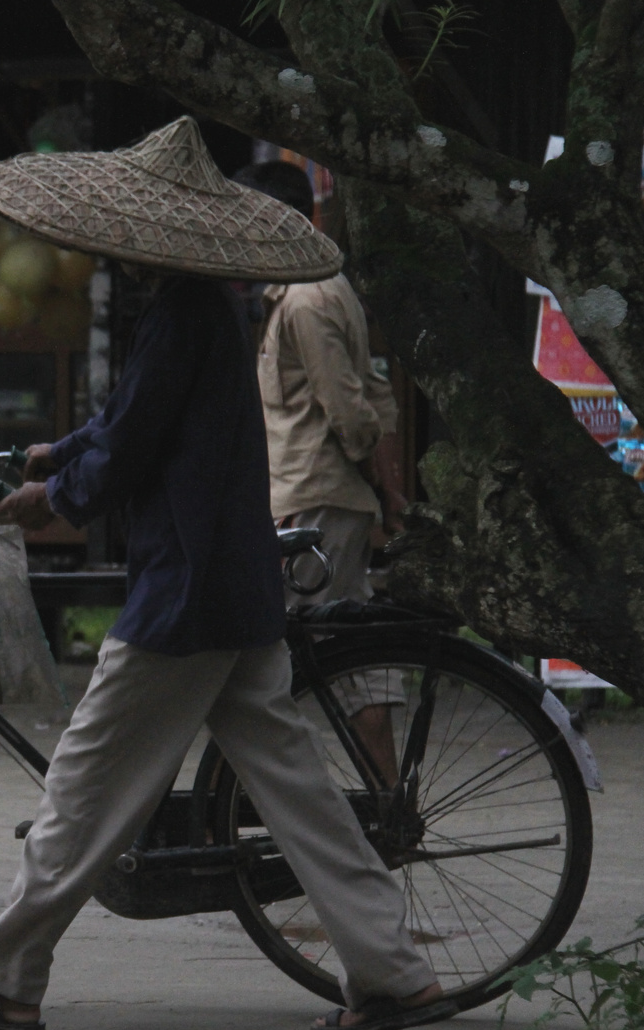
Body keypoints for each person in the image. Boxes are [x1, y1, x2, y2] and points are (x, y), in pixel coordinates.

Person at [0, 117, 454, 1030]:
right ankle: (391, 972)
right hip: (232, 587)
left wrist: (55, 491)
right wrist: (54, 454)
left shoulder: (182, 315)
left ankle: (3, 979)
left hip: (188, 594)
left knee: (85, 784)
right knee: (298, 793)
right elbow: (126, 424)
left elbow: (129, 443)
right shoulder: (205, 310)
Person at [236, 161, 408, 787]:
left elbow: (352, 414)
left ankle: (340, 805)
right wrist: (388, 495)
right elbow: (375, 399)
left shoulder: (306, 300)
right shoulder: (320, 289)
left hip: (314, 506)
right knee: (349, 657)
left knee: (262, 667)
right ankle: (385, 798)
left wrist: (383, 490)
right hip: (326, 504)